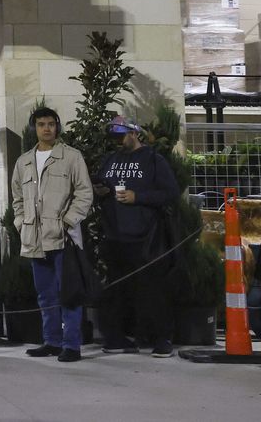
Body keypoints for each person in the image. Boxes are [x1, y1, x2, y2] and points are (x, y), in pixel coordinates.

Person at [92, 116, 178, 358]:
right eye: (115, 138)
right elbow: (103, 186)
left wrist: (137, 197)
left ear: (134, 133)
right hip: (115, 236)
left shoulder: (153, 159)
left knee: (152, 290)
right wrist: (102, 192)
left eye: (122, 136)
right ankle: (117, 337)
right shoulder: (111, 159)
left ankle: (161, 339)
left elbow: (170, 193)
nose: (118, 142)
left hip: (146, 237)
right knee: (117, 290)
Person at [12, 106, 93, 363]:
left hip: (63, 239)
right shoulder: (23, 161)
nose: (46, 128)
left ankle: (72, 345)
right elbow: (17, 198)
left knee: (69, 292)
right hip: (34, 239)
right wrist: (20, 223)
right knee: (45, 293)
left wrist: (68, 222)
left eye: (50, 123)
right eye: (41, 124)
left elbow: (84, 193)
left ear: (57, 126)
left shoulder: (71, 157)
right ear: (34, 128)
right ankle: (51, 341)